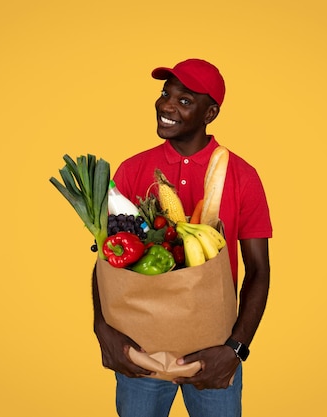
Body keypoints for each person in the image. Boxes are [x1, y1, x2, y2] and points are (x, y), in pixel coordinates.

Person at [92, 58, 273, 417]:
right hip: (139, 350)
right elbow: (105, 261)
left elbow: (259, 271)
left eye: (185, 100)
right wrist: (103, 331)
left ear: (211, 113)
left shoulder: (241, 175)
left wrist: (235, 350)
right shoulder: (133, 169)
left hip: (213, 352)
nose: (167, 105)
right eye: (165, 94)